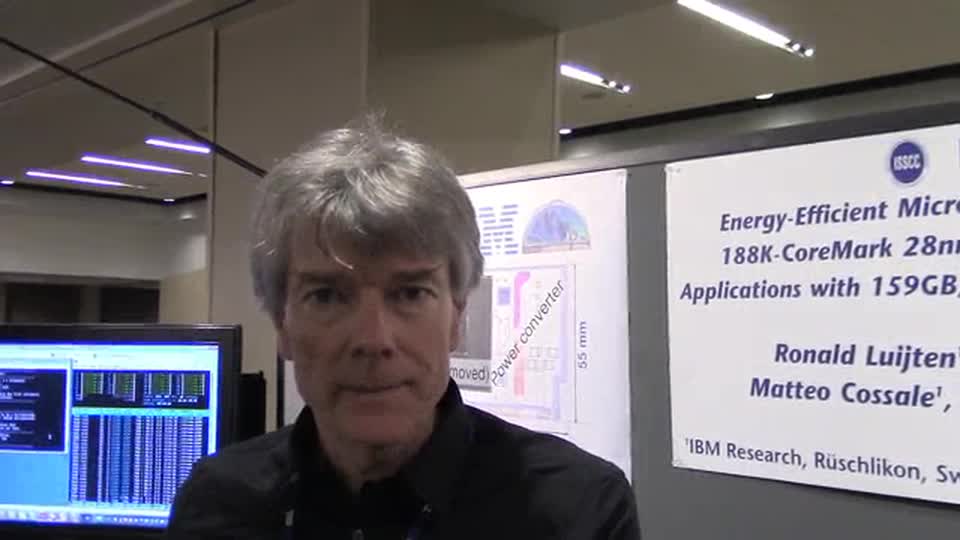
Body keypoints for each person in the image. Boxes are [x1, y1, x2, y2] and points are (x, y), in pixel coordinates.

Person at [166, 118, 641, 539]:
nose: (374, 340)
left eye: (410, 293)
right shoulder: (217, 504)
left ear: (457, 317)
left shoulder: (578, 510)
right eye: (327, 295)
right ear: (281, 324)